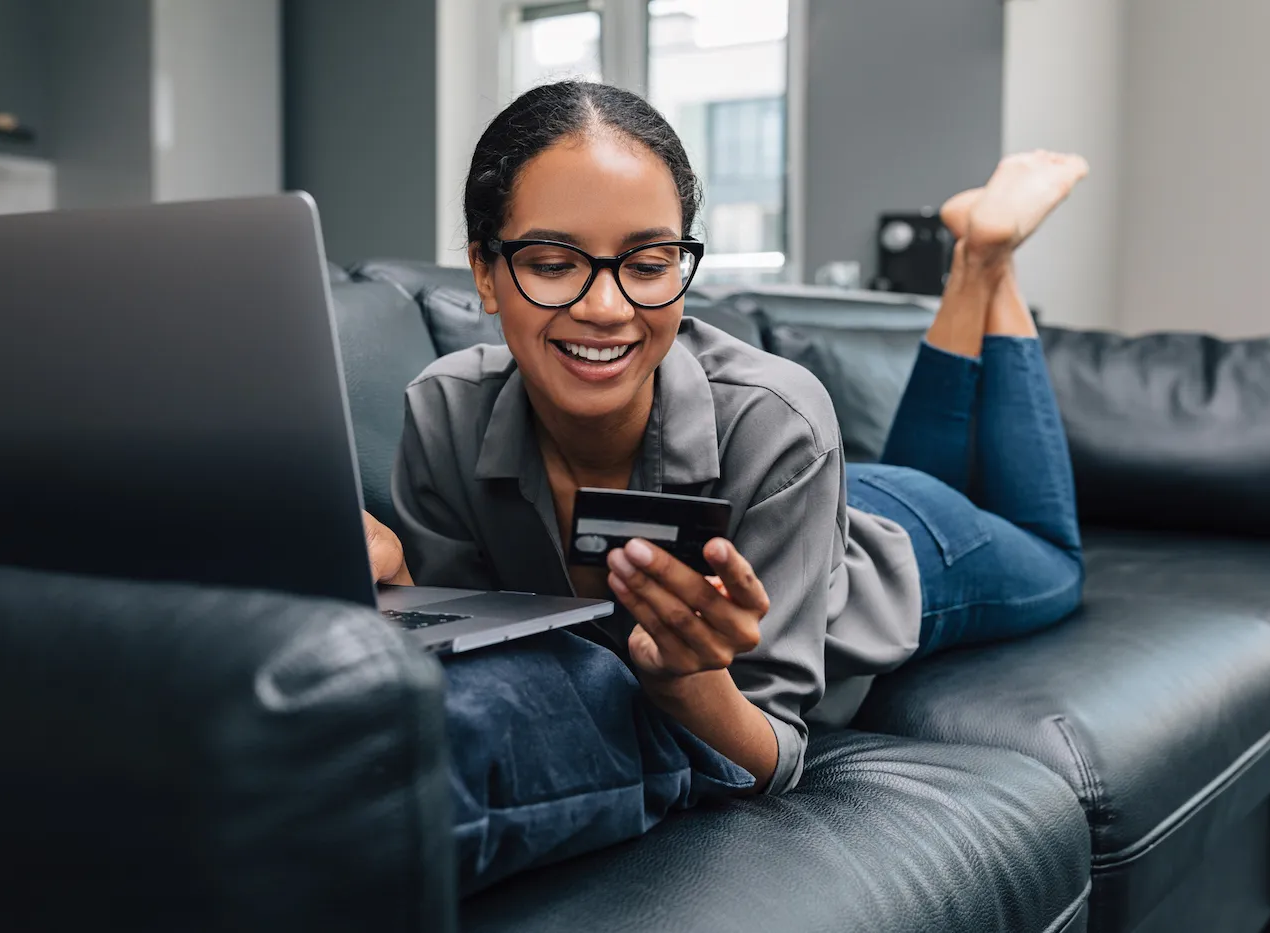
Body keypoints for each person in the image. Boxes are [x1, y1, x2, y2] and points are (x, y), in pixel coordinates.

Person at [360, 81, 1088, 889]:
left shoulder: (781, 416)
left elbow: (773, 754)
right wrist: (396, 581)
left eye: (647, 263)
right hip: (814, 489)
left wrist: (688, 679)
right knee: (922, 465)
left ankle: (988, 257)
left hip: (901, 551)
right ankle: (974, 265)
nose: (606, 306)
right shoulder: (442, 412)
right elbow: (483, 640)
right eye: (553, 263)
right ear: (486, 274)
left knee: (1055, 557)